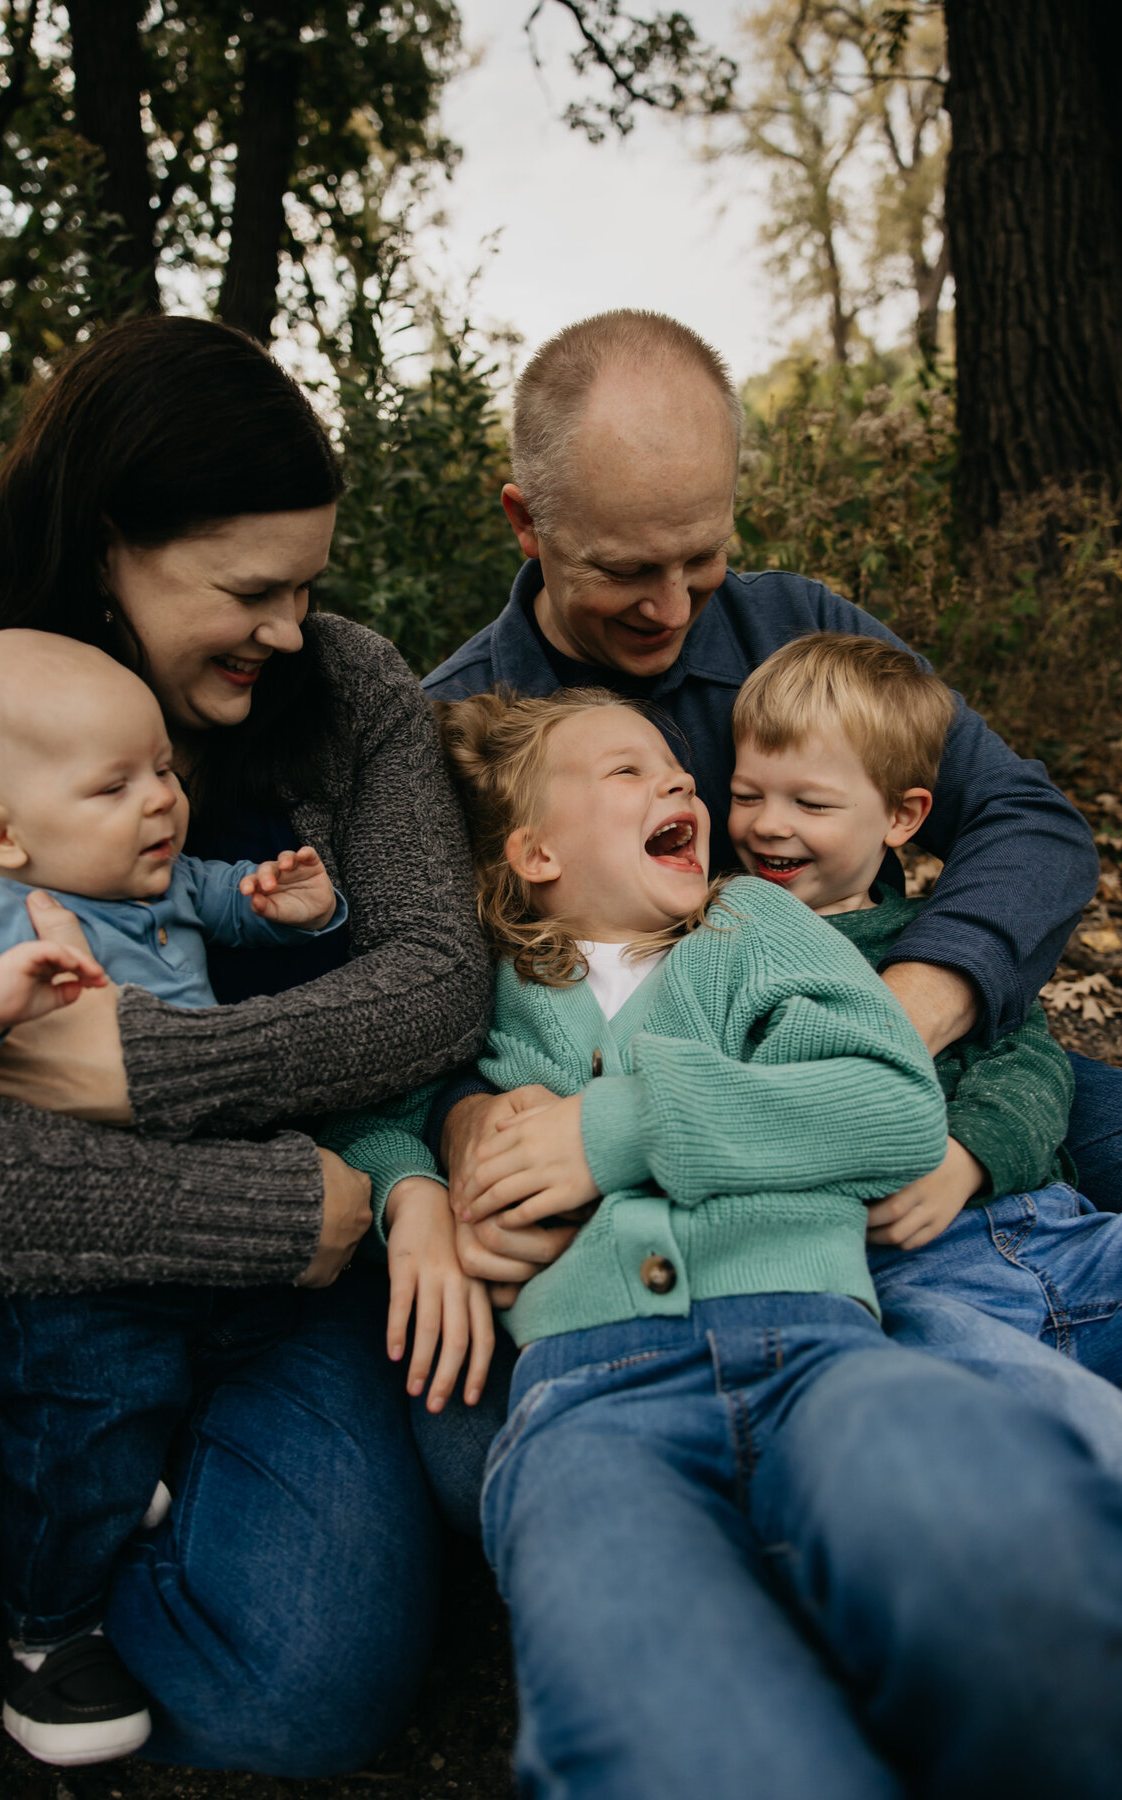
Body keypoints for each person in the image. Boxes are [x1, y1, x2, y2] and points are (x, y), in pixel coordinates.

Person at [335, 685, 1122, 1800]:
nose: (679, 780)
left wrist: (623, 1126)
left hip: (819, 1351)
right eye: (628, 770)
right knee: (656, 1701)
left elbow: (894, 1106)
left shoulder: (753, 927)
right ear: (535, 853)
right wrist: (412, 1192)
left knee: (985, 1539)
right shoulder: (483, 986)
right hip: (587, 1403)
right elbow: (369, 1110)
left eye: (676, 768)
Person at [0, 315, 494, 1779]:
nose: (290, 629)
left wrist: (150, 1068)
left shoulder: (346, 691)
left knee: (289, 1698)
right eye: (250, 591)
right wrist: (260, 1204)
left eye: (308, 586)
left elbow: (436, 980)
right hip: (7, 1277)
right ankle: (57, 1536)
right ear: (108, 542)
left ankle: (97, 1511)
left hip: (270, 1313)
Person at [424, 310, 1121, 1316]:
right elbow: (421, 995)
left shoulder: (795, 628)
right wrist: (465, 1126)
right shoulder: (458, 732)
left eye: (701, 557)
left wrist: (907, 1012)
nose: (672, 607)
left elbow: (1029, 822)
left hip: (897, 1078)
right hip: (629, 1137)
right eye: (626, 570)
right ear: (527, 523)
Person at [727, 632, 1122, 1400]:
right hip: (921, 1276)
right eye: (747, 795)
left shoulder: (936, 941)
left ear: (902, 817)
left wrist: (970, 1155)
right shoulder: (726, 951)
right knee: (1015, 1406)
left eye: (811, 803)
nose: (769, 823)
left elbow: (1030, 1064)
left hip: (1054, 1230)